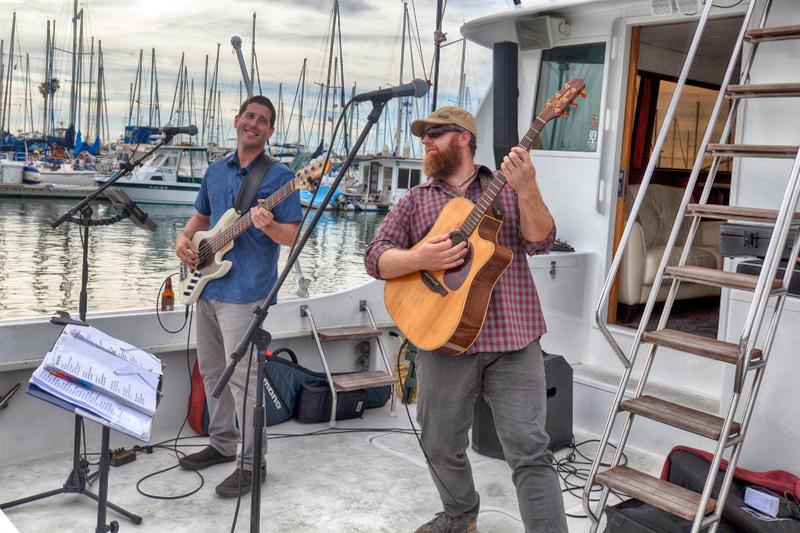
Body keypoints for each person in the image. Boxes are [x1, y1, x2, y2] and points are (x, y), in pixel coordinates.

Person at [364, 107, 568, 533]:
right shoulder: (417, 200)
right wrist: (420, 257)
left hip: (513, 338)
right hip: (442, 340)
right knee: (440, 445)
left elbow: (542, 241)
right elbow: (375, 256)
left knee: (530, 452)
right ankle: (460, 518)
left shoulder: (510, 187)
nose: (425, 141)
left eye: (434, 134)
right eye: (423, 135)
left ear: (463, 138)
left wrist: (528, 188)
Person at [175, 95, 302, 497]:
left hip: (247, 292)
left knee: (243, 381)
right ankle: (222, 443)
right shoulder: (215, 171)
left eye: (263, 121)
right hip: (209, 286)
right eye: (250, 116)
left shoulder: (281, 177)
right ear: (237, 120)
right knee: (213, 372)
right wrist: (182, 238)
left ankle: (253, 465)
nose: (254, 124)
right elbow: (203, 219)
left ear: (270, 131)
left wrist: (265, 226)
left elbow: (292, 237)